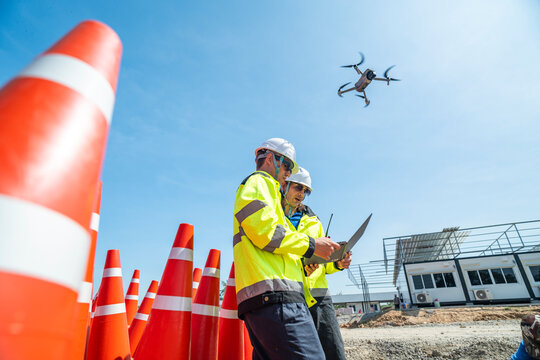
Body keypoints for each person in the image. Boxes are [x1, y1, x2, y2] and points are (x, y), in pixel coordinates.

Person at [233, 138, 339, 360]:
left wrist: (323, 261)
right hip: (275, 297)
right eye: (287, 166)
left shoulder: (270, 193)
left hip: (273, 297)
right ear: (271, 159)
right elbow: (267, 233)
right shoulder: (260, 182)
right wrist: (312, 245)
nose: (288, 173)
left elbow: (278, 244)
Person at [282, 166, 350, 360]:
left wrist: (338, 263)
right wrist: (302, 266)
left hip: (319, 297)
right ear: (284, 185)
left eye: (305, 191)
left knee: (334, 353)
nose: (302, 194)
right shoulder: (274, 217)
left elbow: (324, 260)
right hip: (290, 296)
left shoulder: (313, 221)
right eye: (297, 188)